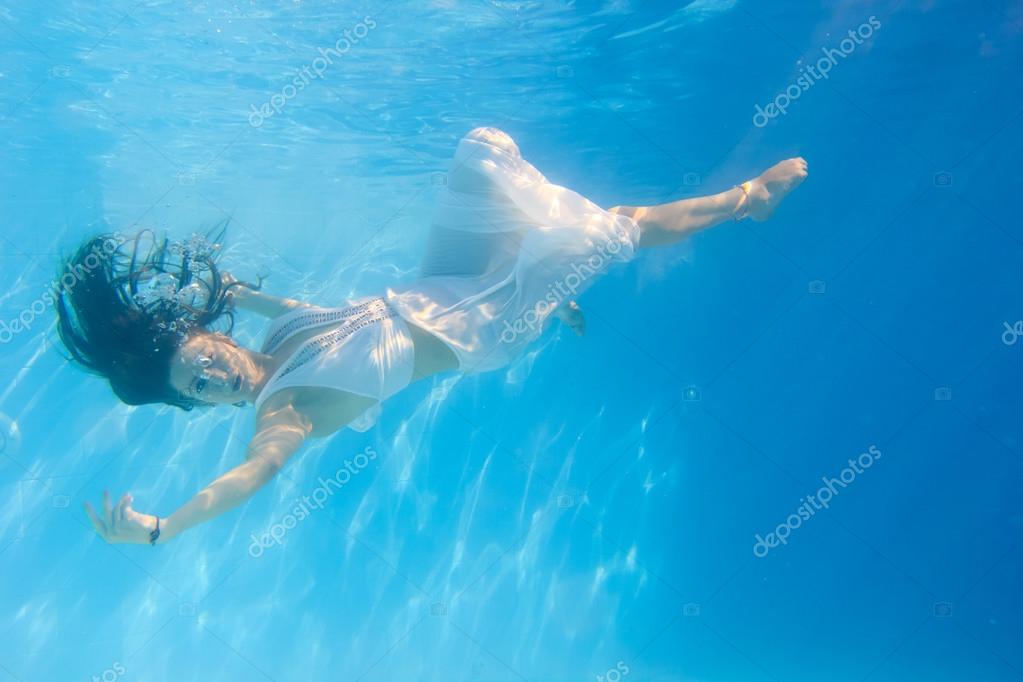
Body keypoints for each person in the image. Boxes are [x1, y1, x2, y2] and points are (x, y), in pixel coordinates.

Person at [62, 127, 807, 545]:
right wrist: (162, 527)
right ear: (211, 407)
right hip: (482, 327)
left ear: (210, 338)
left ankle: (549, 282)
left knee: (481, 151)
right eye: (200, 389)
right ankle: (747, 201)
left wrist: (228, 289)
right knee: (612, 230)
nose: (215, 378)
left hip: (436, 284)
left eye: (202, 361)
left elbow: (273, 303)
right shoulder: (284, 412)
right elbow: (251, 478)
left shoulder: (282, 333)